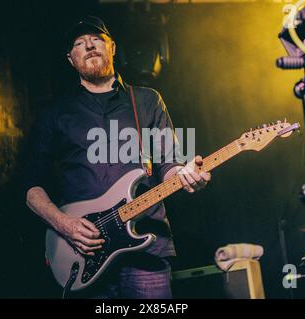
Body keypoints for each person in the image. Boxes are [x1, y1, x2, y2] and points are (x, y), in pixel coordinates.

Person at [24, 15, 211, 298]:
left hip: (147, 250)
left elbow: (169, 163)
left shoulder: (147, 100)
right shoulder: (56, 113)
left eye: (97, 39)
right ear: (70, 59)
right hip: (83, 251)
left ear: (112, 47)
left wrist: (186, 176)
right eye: (79, 43)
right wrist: (66, 225)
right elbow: (30, 186)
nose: (89, 46)